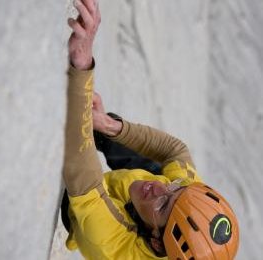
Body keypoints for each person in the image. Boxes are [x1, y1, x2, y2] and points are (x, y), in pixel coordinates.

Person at [62, 0, 240, 259]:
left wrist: (81, 66)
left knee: (78, 155)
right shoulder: (183, 201)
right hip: (139, 206)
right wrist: (110, 126)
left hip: (90, 213)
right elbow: (176, 151)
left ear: (157, 243)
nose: (161, 187)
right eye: (176, 188)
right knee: (146, 165)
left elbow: (83, 178)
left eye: (164, 204)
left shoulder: (114, 247)